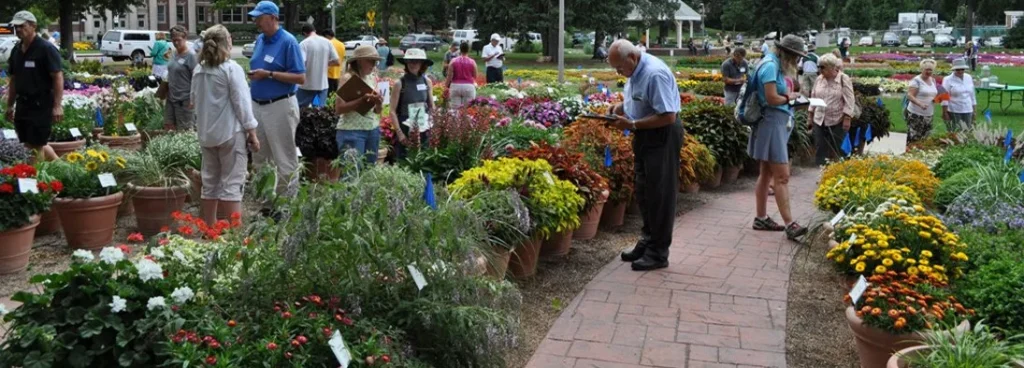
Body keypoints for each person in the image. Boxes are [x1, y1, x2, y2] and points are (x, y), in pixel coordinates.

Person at [607, 39, 683, 271]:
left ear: (632, 57)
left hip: (662, 134)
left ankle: (658, 252)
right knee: (644, 191)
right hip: (644, 133)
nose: (619, 73)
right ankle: (649, 240)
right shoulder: (635, 70)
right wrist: (621, 108)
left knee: (660, 194)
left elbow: (668, 115)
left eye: (620, 67)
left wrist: (632, 124)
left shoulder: (654, 73)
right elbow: (639, 97)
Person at [191, 25, 261, 225]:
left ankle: (209, 228)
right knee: (233, 183)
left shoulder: (199, 70)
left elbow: (193, 100)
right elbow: (242, 104)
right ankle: (234, 234)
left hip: (207, 134)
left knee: (209, 182)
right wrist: (252, 133)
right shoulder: (231, 69)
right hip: (230, 132)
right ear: (227, 42)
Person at [748, 34, 808, 240]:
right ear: (786, 53)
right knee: (782, 176)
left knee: (766, 173)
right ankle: (790, 224)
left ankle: (761, 217)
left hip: (772, 123)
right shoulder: (770, 66)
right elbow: (772, 98)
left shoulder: (772, 64)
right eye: (796, 56)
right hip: (771, 123)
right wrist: (790, 97)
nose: (797, 61)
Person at [247, 0, 306, 209]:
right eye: (255, 18)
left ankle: (285, 205)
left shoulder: (288, 42)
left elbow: (300, 77)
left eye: (259, 18)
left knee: (284, 156)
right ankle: (266, 203)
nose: (256, 22)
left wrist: (269, 74)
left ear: (273, 18)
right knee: (260, 156)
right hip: (258, 105)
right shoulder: (260, 40)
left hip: (280, 105)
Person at [4, 10, 62, 162]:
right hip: (23, 104)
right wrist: (10, 105)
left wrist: (57, 106)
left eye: (21, 26)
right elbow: (14, 80)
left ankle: (35, 176)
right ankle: (62, 167)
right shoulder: (17, 50)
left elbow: (57, 76)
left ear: (33, 26)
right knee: (29, 143)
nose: (18, 29)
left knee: (36, 145)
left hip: (41, 104)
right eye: (16, 27)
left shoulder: (45, 48)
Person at [334, 45, 384, 164]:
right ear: (359, 61)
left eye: (375, 62)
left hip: (372, 129)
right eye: (370, 61)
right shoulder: (348, 78)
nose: (373, 65)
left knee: (369, 169)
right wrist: (361, 100)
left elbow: (377, 111)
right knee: (352, 170)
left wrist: (378, 103)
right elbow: (339, 109)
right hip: (352, 130)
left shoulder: (372, 77)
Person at [807, 53, 855, 165]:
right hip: (819, 119)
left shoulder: (843, 79)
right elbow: (813, 97)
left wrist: (847, 118)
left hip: (837, 120)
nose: (819, 69)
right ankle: (820, 170)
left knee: (838, 149)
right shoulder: (819, 79)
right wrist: (810, 116)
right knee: (820, 147)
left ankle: (839, 170)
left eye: (822, 67)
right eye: (819, 67)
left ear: (832, 67)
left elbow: (849, 100)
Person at [390, 48, 435, 160]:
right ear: (406, 63)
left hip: (423, 124)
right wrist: (400, 133)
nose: (413, 64)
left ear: (422, 63)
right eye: (410, 61)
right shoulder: (400, 83)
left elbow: (431, 106)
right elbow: (392, 111)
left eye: (416, 61)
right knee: (405, 159)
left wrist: (433, 125)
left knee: (424, 158)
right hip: (405, 124)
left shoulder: (427, 81)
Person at [297, 23, 340, 107]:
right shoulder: (327, 42)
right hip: (323, 85)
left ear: (304, 33)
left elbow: (301, 64)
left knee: (300, 109)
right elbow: (337, 62)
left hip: (306, 85)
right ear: (315, 31)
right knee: (320, 111)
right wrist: (325, 64)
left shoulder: (303, 44)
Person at [165, 26, 198, 130]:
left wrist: (193, 99)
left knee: (185, 130)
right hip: (171, 98)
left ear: (185, 38)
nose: (176, 43)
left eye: (178, 40)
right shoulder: (173, 54)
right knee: (169, 127)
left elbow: (196, 79)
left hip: (185, 100)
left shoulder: (191, 56)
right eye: (173, 40)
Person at [905, 58, 938, 144]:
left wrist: (937, 99)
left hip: (929, 114)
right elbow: (909, 95)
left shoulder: (933, 80)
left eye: (931, 70)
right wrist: (920, 104)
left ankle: (920, 152)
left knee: (926, 138)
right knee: (914, 137)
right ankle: (911, 151)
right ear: (922, 69)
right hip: (916, 114)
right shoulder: (916, 81)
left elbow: (933, 93)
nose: (929, 72)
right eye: (927, 69)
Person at [942, 58, 977, 132]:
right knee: (955, 131)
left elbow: (972, 96)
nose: (960, 71)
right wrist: (945, 112)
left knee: (967, 131)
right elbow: (944, 97)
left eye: (962, 69)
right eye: (958, 70)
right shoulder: (947, 79)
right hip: (954, 110)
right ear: (954, 69)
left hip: (968, 109)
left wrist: (974, 111)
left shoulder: (968, 77)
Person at [446, 41, 477, 108]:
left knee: (455, 109)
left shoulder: (453, 61)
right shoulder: (472, 62)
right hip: (468, 86)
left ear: (460, 49)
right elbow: (475, 76)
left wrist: (446, 86)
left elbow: (449, 76)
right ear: (468, 49)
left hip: (455, 85)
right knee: (467, 109)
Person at [322, 29, 346, 96]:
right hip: (337, 73)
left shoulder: (328, 43)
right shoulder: (342, 44)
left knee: (327, 96)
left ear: (327, 36)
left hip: (328, 73)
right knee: (334, 95)